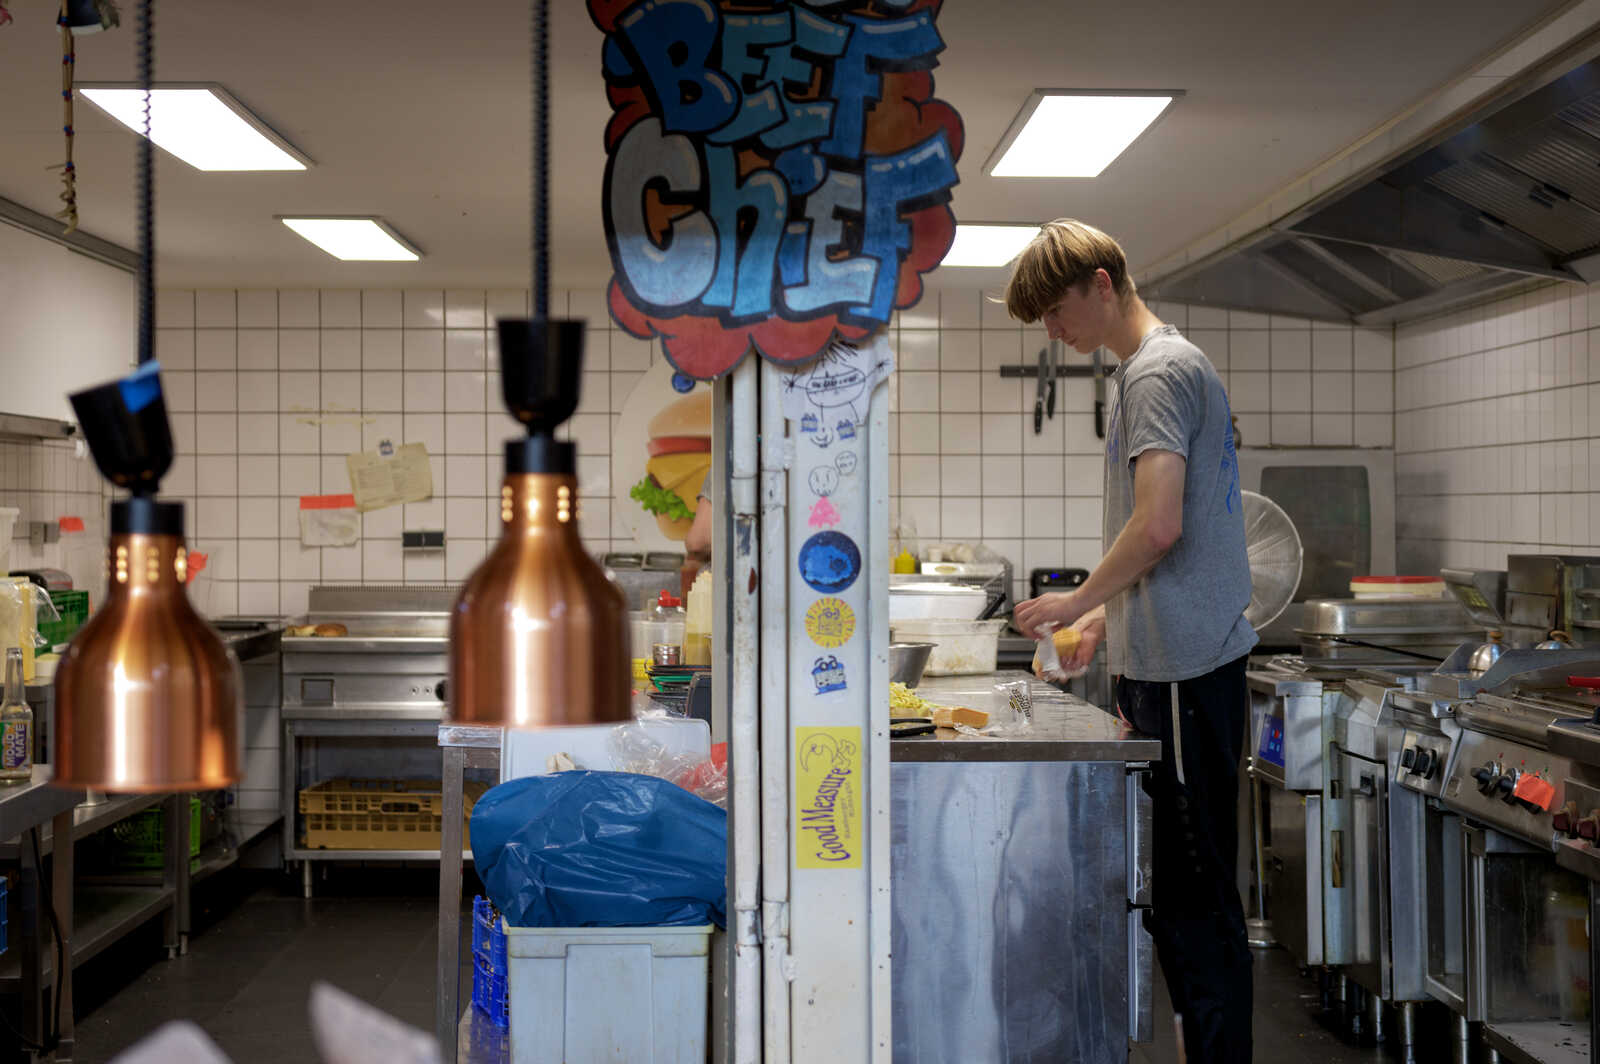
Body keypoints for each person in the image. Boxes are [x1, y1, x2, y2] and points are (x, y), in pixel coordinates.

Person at [1008, 219, 1257, 1063]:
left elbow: (1157, 527)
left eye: (1054, 309)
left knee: (1198, 901)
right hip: (1170, 668)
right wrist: (1100, 624)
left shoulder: (1158, 373)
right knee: (1185, 899)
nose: (1052, 330)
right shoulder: (1144, 374)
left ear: (1103, 282)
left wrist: (1076, 597)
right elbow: (1165, 549)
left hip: (1189, 674)